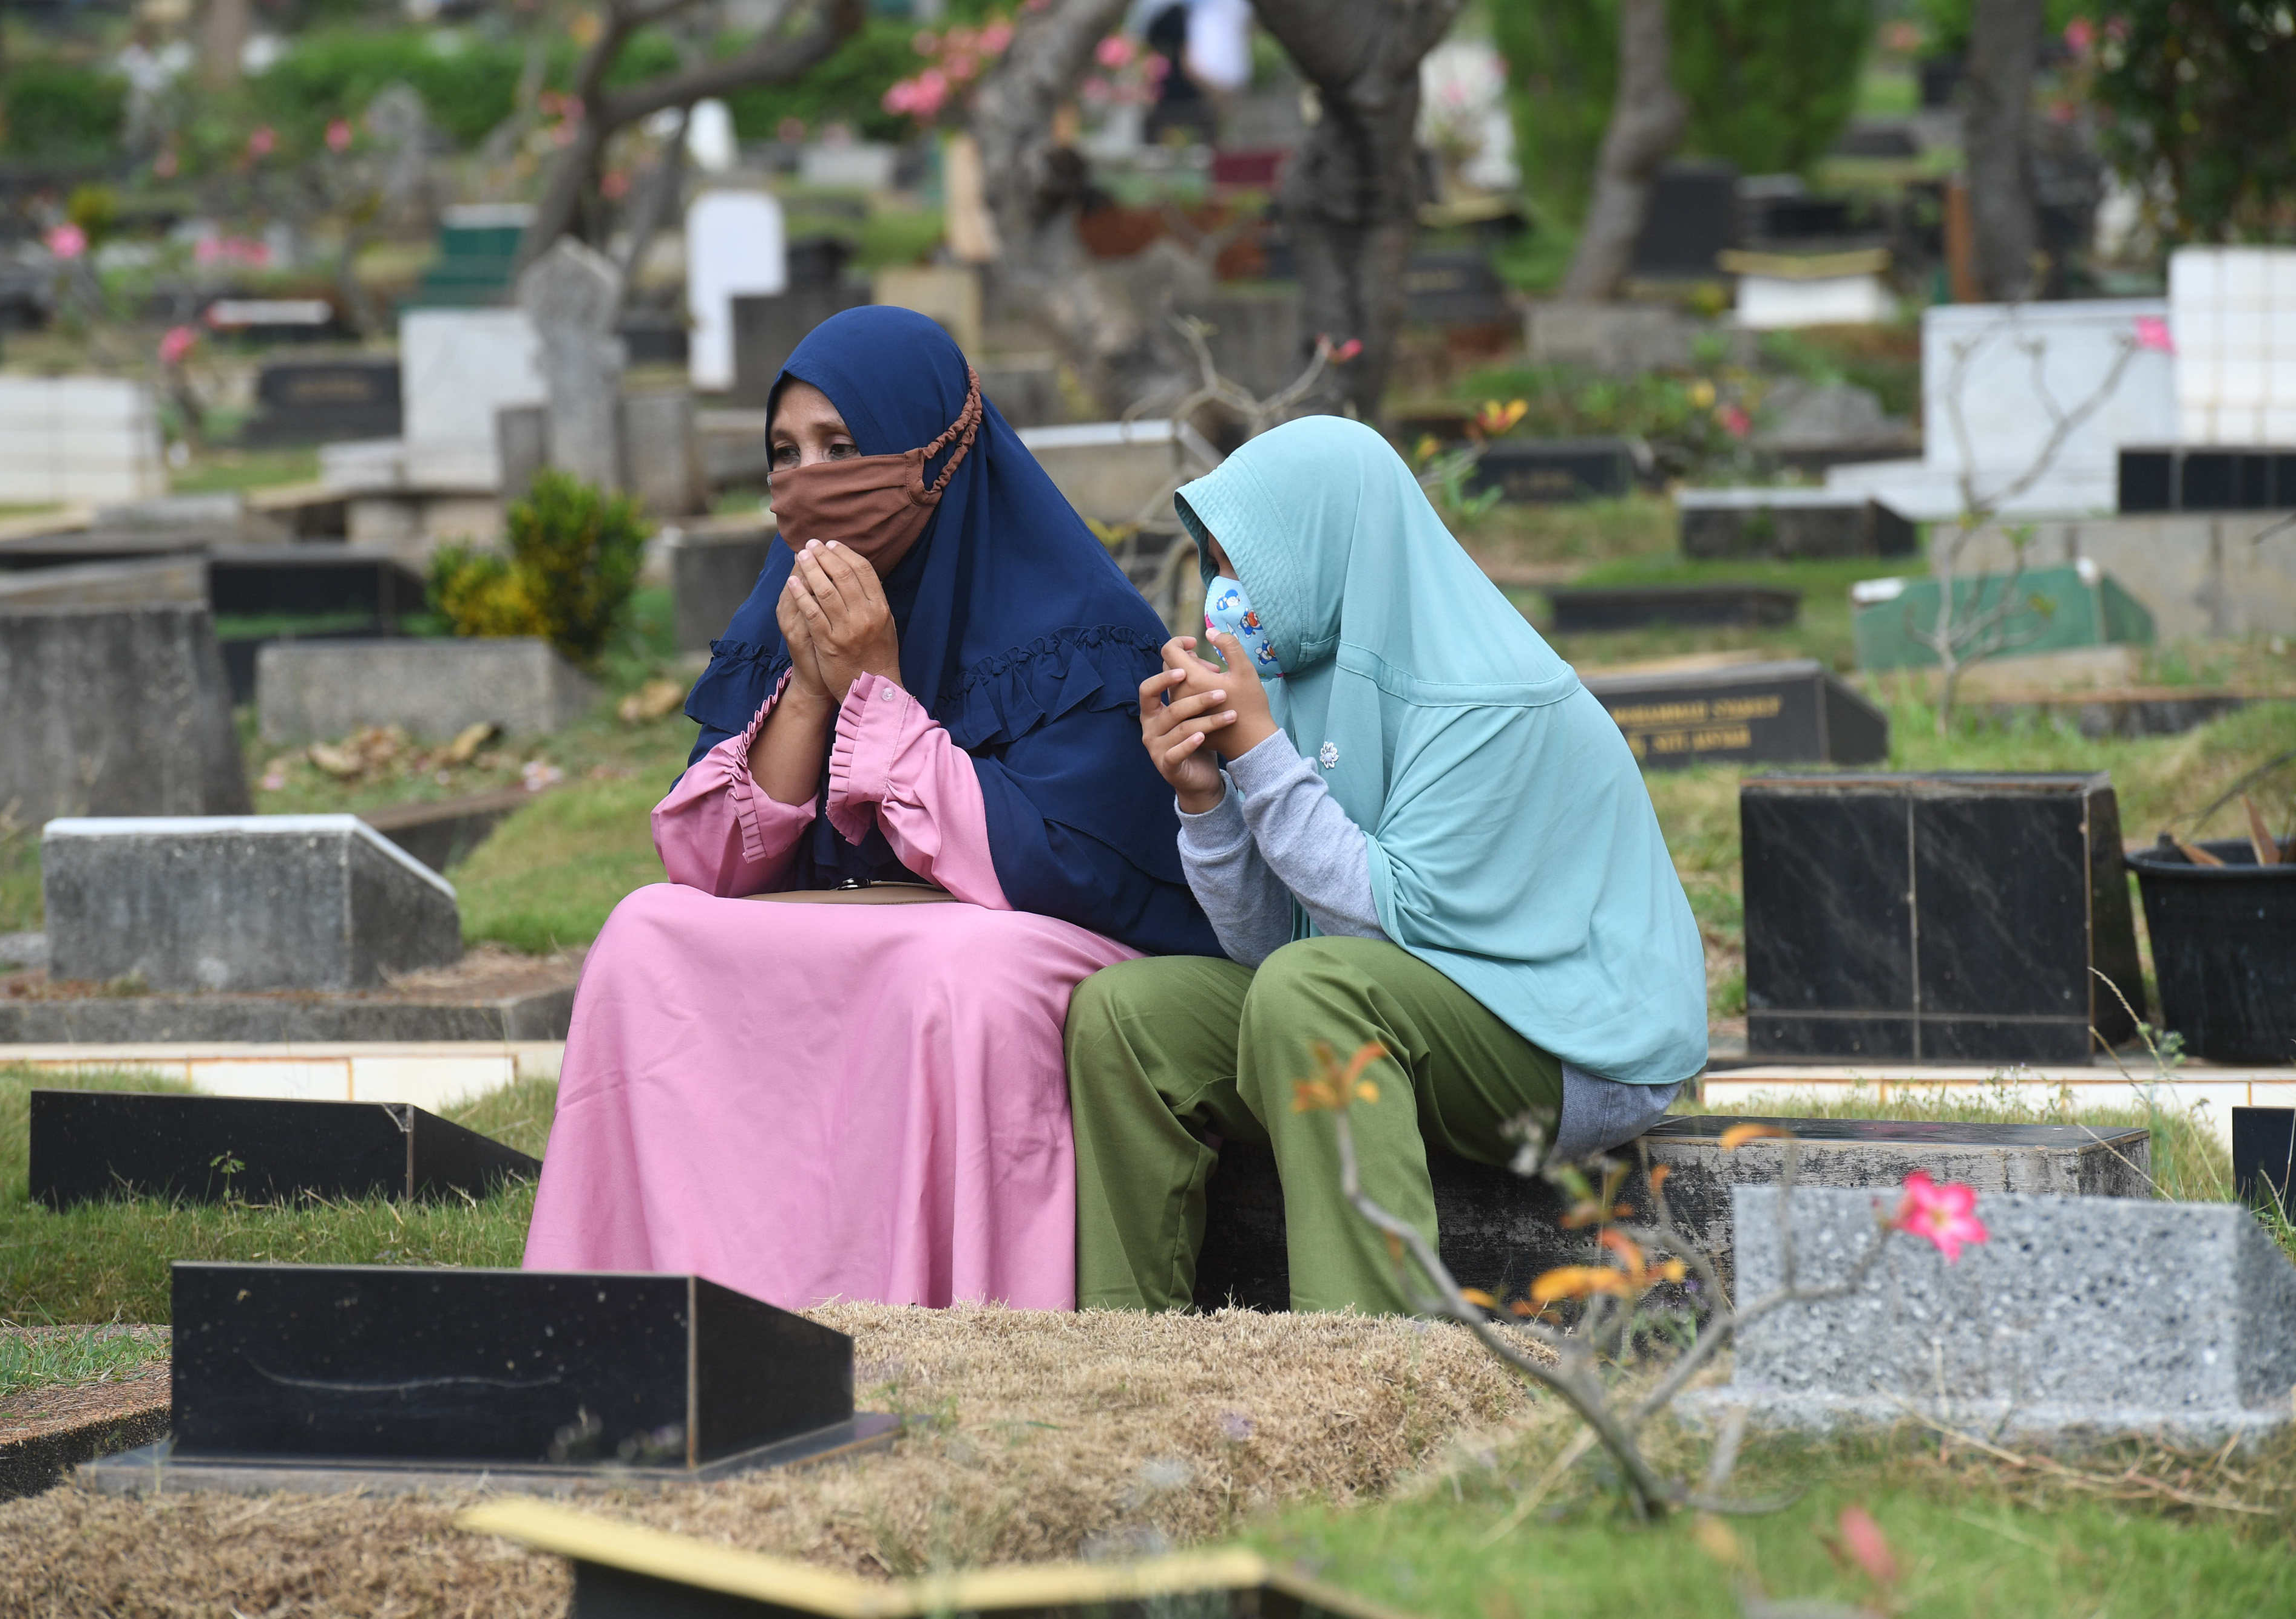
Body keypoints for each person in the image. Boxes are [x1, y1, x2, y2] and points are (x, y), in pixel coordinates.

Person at [523, 307, 1219, 1311]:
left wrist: (880, 694)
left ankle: (934, 1315)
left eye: (843, 448)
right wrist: (812, 690)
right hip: (858, 930)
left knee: (962, 972)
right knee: (645, 932)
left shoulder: (1084, 628)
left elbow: (1062, 871)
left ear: (941, 451)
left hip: (1015, 938)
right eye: (786, 454)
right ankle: (654, 1306)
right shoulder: (779, 612)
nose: (810, 481)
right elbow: (708, 870)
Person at [1065, 415, 1708, 1315]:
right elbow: (1270, 944)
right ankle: (1123, 1350)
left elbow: (1375, 932)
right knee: (1125, 1014)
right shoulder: (1294, 682)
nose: (1223, 597)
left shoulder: (1487, 698)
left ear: (1329, 550)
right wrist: (1205, 801)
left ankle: (1367, 1351)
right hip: (1398, 1010)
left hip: (1573, 1047)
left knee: (1314, 990)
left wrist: (1261, 759)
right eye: (1214, 566)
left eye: (1246, 566)